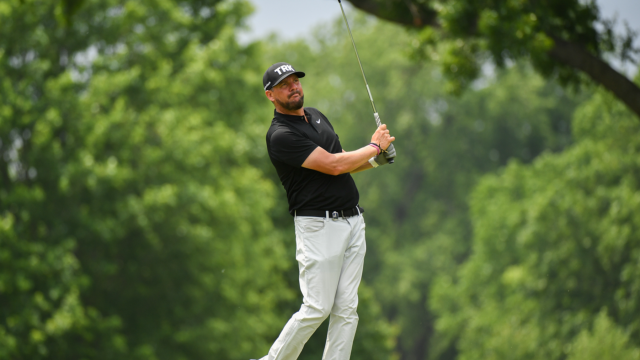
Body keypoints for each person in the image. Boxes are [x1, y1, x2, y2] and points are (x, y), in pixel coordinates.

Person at [255, 62, 395, 360]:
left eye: (295, 81)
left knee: (347, 309)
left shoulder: (316, 116)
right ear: (270, 95)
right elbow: (333, 166)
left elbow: (342, 159)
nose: (293, 87)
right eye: (284, 85)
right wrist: (373, 146)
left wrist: (375, 160)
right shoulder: (280, 135)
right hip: (318, 227)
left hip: (353, 220)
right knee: (317, 306)